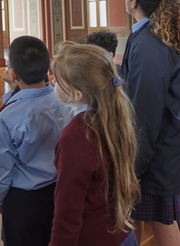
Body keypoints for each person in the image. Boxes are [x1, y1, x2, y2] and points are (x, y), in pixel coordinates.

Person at [121, 0, 180, 246]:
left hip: (154, 150)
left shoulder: (148, 42)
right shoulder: (156, 35)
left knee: (160, 219)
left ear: (134, 1)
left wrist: (136, 164)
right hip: (167, 141)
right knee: (145, 214)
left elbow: (145, 109)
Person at [49, 42, 139, 246]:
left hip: (94, 236)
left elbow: (67, 211)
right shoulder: (113, 116)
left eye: (57, 80)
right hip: (122, 235)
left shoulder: (76, 136)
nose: (52, 82)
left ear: (77, 93)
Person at [0, 36, 74, 246]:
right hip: (60, 193)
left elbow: (0, 169)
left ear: (14, 74)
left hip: (23, 202)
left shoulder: (8, 117)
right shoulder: (65, 103)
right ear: (48, 68)